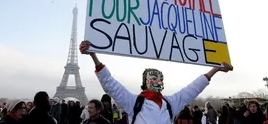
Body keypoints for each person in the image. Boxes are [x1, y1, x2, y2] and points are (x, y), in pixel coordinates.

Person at [79, 41, 233, 124]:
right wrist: (94, 56)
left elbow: (192, 89)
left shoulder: (170, 103)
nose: (157, 81)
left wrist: (215, 70)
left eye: (159, 78)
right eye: (153, 78)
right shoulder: (134, 102)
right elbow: (110, 85)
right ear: (145, 82)